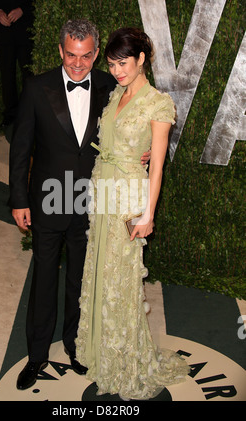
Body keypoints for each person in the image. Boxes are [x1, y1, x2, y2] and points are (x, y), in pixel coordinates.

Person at [9, 19, 150, 391]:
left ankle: (76, 346)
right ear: (60, 51)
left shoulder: (109, 84)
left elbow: (137, 119)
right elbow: (21, 148)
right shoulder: (37, 87)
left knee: (80, 280)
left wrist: (143, 150)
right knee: (43, 278)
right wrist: (19, 199)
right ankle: (37, 355)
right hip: (48, 200)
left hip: (92, 202)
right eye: (71, 55)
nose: (78, 63)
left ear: (96, 53)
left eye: (86, 56)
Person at [75, 27, 190, 400]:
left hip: (128, 199)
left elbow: (156, 166)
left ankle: (126, 360)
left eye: (123, 63)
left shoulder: (158, 103)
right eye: (111, 64)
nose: (117, 71)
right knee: (101, 277)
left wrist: (148, 215)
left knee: (121, 282)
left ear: (142, 59)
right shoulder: (116, 95)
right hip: (104, 193)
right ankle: (105, 355)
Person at [0, 1, 34, 127]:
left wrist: (22, 9)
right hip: (3, 32)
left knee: (29, 75)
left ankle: (30, 114)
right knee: (7, 75)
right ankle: (10, 115)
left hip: (26, 29)